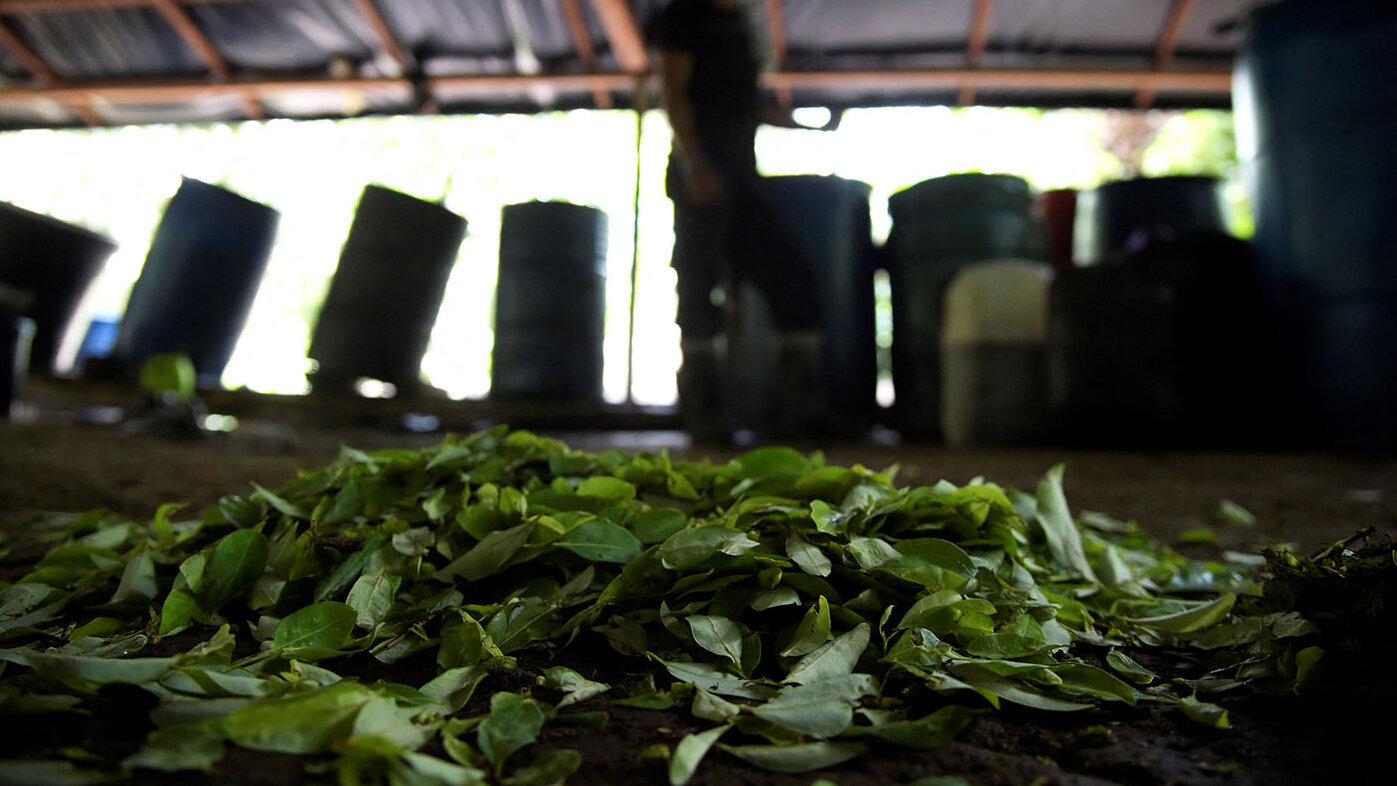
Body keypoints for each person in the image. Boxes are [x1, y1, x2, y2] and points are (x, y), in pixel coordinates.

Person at [653, 0, 839, 441]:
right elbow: (673, 93)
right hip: (701, 174)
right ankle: (704, 419)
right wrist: (695, 160)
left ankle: (804, 413)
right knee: (700, 290)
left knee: (793, 276)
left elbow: (752, 106)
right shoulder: (683, 17)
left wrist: (807, 127)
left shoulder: (739, 28)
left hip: (742, 177)